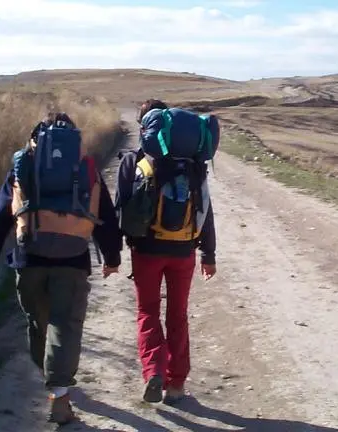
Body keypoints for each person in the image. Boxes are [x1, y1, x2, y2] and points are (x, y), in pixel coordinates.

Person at [0, 112, 122, 425]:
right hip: (72, 261)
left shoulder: (24, 165)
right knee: (65, 326)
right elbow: (104, 214)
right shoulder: (86, 166)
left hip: (30, 259)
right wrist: (112, 256)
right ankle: (59, 392)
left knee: (38, 323)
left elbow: (1, 215)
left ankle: (52, 381)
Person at [115, 99, 217, 405]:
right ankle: (176, 384)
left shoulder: (134, 163)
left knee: (148, 312)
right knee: (178, 315)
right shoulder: (195, 166)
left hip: (146, 251)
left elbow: (120, 209)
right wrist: (208, 255)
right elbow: (206, 212)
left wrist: (115, 251)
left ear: (146, 127)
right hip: (184, 250)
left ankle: (153, 372)